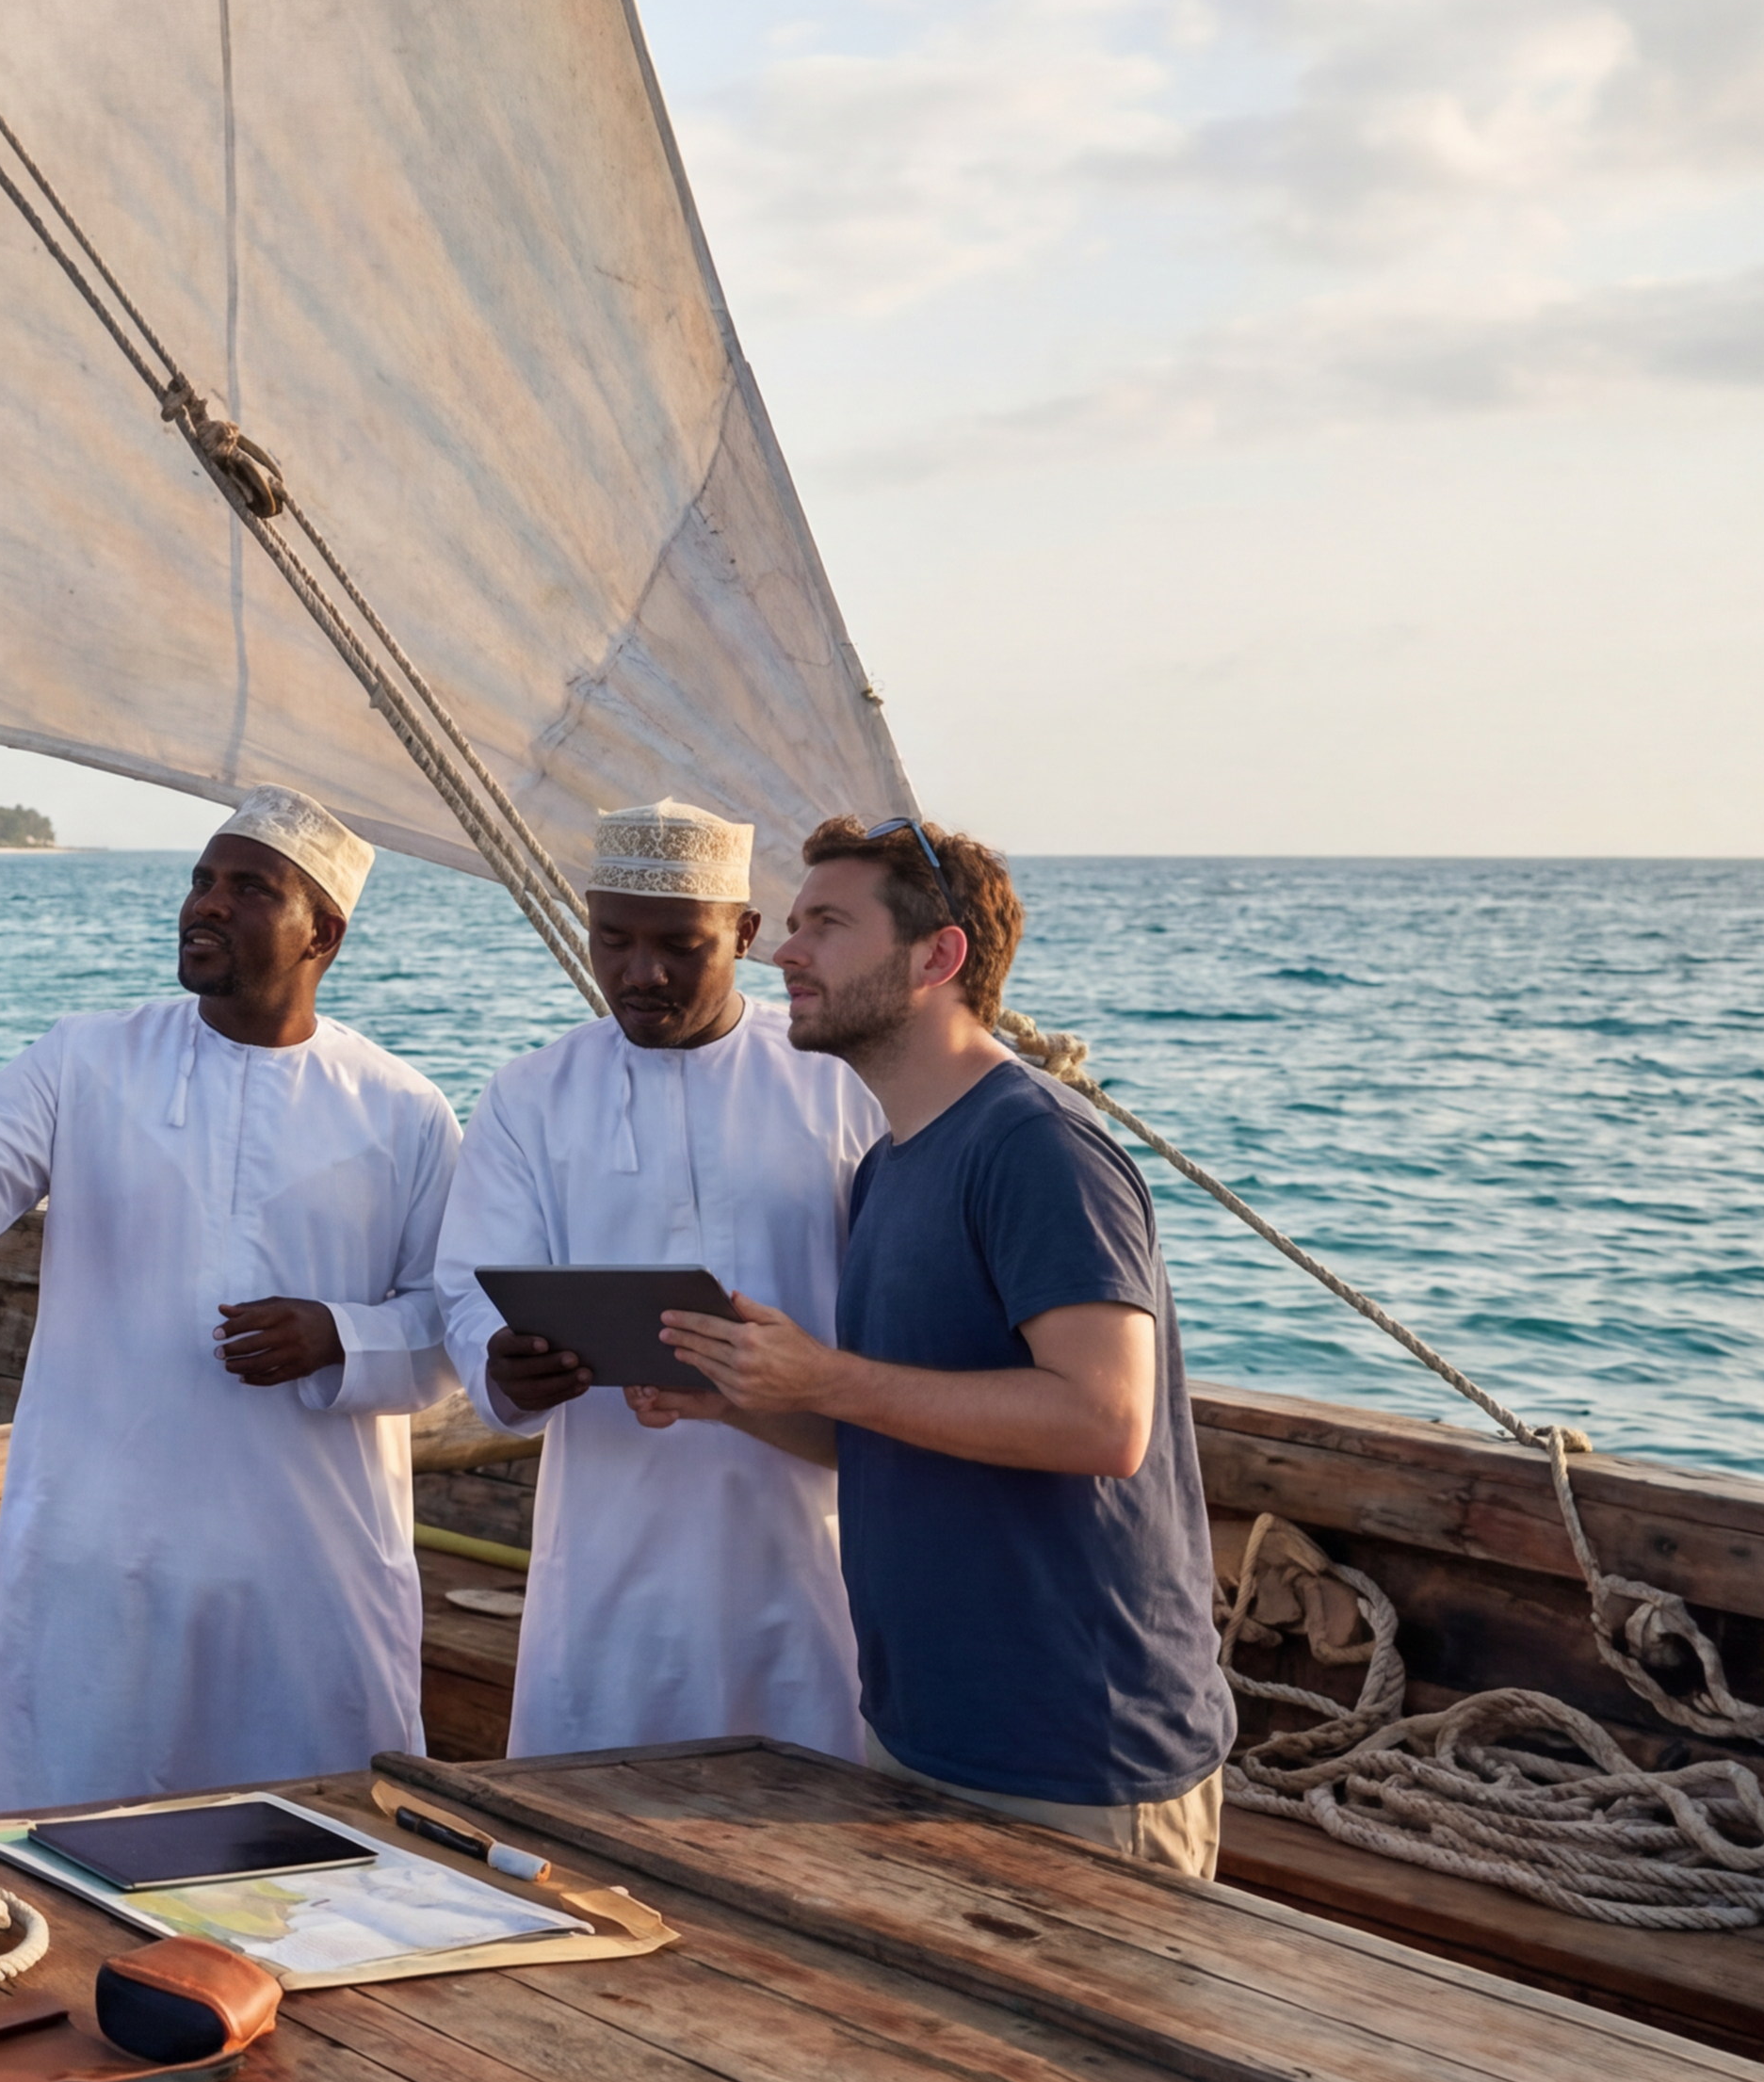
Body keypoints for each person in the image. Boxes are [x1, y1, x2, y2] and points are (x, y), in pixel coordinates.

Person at [648, 814, 1235, 1873]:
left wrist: (823, 1373)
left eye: (825, 924)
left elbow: (1104, 1422)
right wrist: (740, 1392)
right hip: (919, 1736)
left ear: (938, 956)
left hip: (1074, 1756)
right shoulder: (888, 1165)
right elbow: (885, 1425)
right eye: (791, 925)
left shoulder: (1035, 1147)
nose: (783, 951)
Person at [0, 785, 459, 1812]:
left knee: (304, 1854)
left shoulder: (402, 1110)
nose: (205, 905)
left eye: (247, 888)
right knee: (64, 1839)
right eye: (199, 880)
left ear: (321, 929)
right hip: (100, 1551)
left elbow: (446, 1333)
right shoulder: (85, 1059)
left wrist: (339, 1336)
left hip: (302, 1569)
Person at [441, 801, 881, 1755]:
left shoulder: (838, 1080)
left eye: (679, 945)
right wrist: (500, 1363)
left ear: (746, 935)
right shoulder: (529, 1094)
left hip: (809, 1538)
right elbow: (470, 1284)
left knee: (805, 1823)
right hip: (606, 1544)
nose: (640, 972)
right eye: (612, 939)